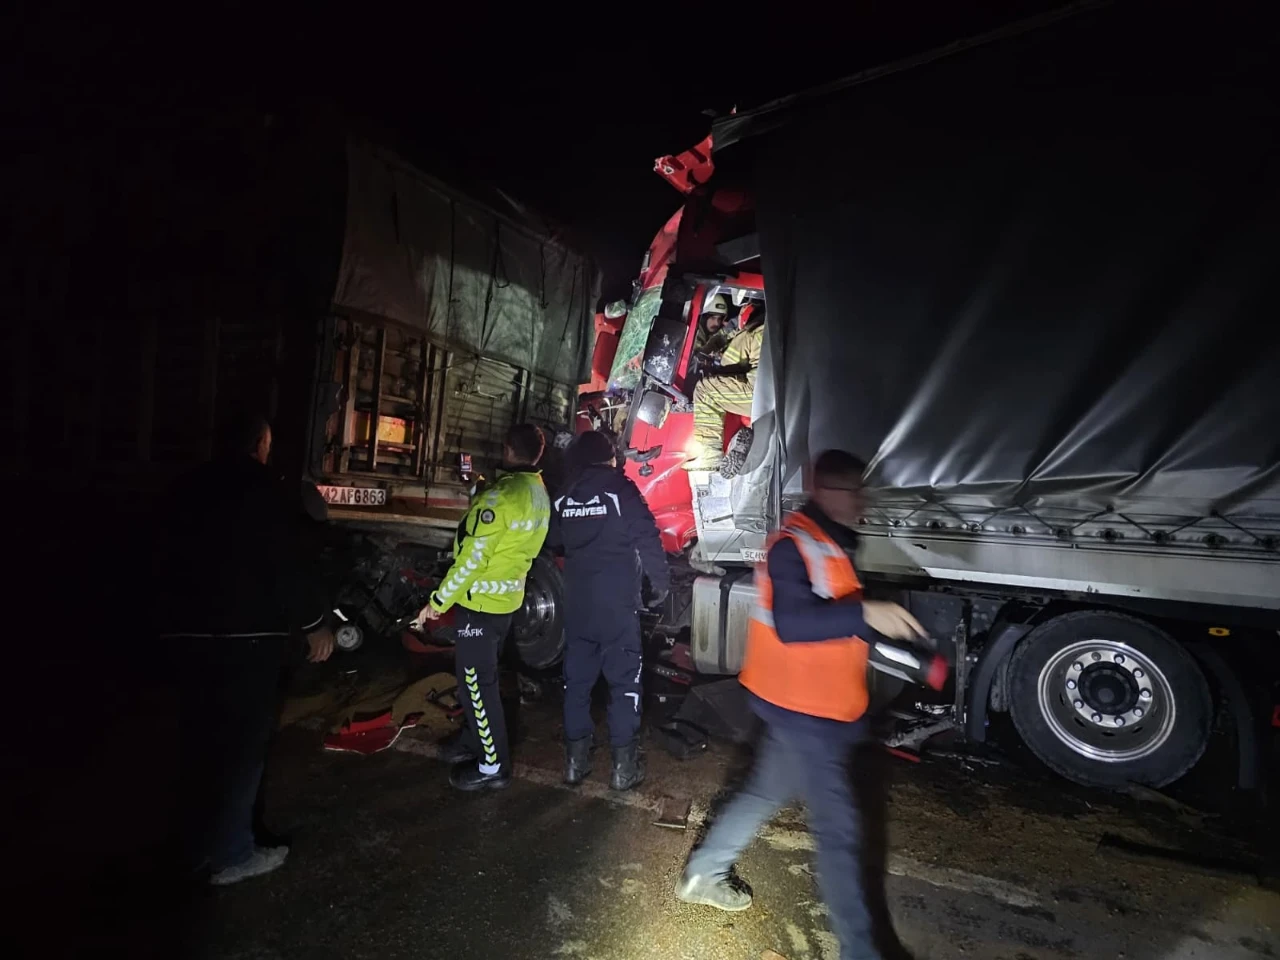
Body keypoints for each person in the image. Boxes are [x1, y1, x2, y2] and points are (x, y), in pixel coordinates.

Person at [676, 450, 927, 960]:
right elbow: (796, 625)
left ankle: (704, 873)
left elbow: (838, 620)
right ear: (830, 492)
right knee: (839, 836)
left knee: (764, 793)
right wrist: (867, 612)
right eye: (856, 493)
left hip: (812, 708)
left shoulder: (826, 542)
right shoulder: (793, 544)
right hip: (806, 714)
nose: (862, 504)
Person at [159, 413, 335, 887]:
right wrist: (317, 624)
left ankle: (197, 846)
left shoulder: (184, 487)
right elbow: (286, 565)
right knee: (240, 748)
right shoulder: (267, 491)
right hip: (247, 638)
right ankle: (233, 853)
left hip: (186, 636)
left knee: (199, 742)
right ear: (260, 443)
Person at [412, 423, 551, 791]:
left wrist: (437, 602)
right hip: (505, 602)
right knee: (474, 679)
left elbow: (471, 560)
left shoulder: (501, 497)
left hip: (481, 604)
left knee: (477, 684)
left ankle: (492, 766)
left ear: (508, 451)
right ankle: (474, 740)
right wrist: (480, 490)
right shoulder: (536, 492)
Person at [549, 430, 669, 791]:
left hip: (578, 605)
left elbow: (553, 540)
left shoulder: (564, 494)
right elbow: (647, 536)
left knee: (576, 684)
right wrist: (660, 585)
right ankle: (622, 769)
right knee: (624, 682)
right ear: (610, 457)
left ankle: (575, 764)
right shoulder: (620, 488)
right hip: (616, 606)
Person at [685, 312, 765, 473]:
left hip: (761, 392)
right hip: (783, 392)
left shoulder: (751, 332)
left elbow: (728, 365)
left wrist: (716, 360)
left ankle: (710, 455)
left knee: (705, 390)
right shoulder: (773, 327)